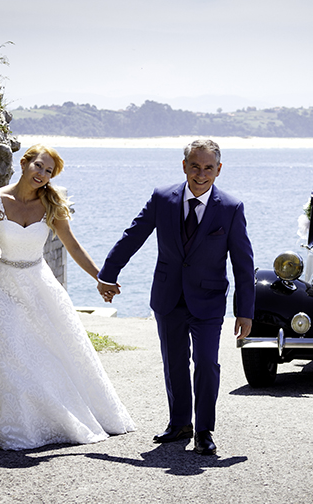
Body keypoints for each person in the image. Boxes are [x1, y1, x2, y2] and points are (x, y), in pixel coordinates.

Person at [0, 144, 136, 450]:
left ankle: (51, 415)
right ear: (24, 163)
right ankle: (12, 423)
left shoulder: (51, 205)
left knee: (47, 351)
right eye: (39, 166)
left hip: (39, 283)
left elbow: (73, 246)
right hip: (1, 285)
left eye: (49, 172)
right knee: (8, 351)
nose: (42, 175)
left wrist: (101, 277)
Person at [97, 139, 254, 455]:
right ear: (184, 166)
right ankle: (180, 423)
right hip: (168, 296)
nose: (201, 173)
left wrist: (245, 310)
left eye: (208, 167)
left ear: (218, 170)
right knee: (175, 363)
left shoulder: (231, 208)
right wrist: (108, 273)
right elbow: (134, 235)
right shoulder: (162, 199)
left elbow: (243, 262)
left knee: (207, 363)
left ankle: (204, 430)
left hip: (209, 301)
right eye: (194, 166)